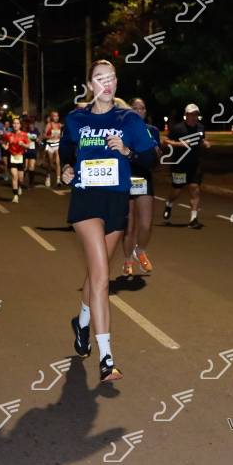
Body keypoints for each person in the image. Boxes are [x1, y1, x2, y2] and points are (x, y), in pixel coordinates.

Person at [60, 59, 158, 382]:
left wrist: (128, 151)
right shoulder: (76, 118)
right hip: (86, 200)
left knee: (95, 272)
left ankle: (82, 323)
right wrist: (66, 168)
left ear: (116, 82)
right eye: (99, 78)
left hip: (115, 202)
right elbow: (66, 150)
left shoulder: (128, 119)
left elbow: (151, 158)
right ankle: (106, 359)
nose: (106, 83)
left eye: (111, 78)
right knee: (101, 276)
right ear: (90, 85)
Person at [122, 97, 161, 275]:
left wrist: (157, 154)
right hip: (126, 178)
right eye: (135, 108)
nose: (139, 111)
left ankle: (140, 251)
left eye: (142, 108)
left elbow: (155, 159)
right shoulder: (122, 129)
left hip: (144, 178)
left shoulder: (152, 131)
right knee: (129, 226)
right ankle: (127, 260)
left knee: (146, 224)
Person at [162, 104, 211, 228]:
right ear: (186, 115)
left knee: (195, 189)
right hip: (179, 164)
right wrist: (179, 144)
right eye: (190, 114)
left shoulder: (200, 128)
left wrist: (205, 143)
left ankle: (193, 219)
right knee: (177, 190)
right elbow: (165, 141)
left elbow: (201, 140)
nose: (193, 117)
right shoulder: (178, 128)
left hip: (195, 164)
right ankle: (169, 204)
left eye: (195, 114)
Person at [3, 117, 30, 203]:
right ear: (12, 125)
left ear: (20, 125)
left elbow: (28, 145)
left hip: (21, 157)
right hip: (12, 156)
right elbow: (3, 142)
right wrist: (5, 146)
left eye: (17, 123)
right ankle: (15, 195)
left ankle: (20, 186)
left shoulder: (24, 134)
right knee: (14, 176)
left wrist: (23, 144)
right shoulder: (8, 134)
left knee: (20, 179)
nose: (15, 125)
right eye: (14, 123)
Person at [44, 111, 63, 187]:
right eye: (54, 116)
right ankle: (48, 177)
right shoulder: (49, 125)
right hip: (50, 145)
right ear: (52, 117)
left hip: (57, 145)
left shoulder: (59, 125)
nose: (56, 117)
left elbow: (62, 134)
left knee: (58, 162)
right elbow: (44, 135)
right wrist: (50, 136)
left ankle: (58, 180)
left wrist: (60, 136)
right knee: (50, 162)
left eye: (57, 116)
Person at [24, 117, 39, 189]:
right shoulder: (25, 131)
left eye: (32, 124)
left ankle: (31, 183)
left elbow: (39, 141)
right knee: (25, 168)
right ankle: (21, 181)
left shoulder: (36, 131)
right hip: (26, 151)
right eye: (30, 124)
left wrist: (38, 140)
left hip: (33, 151)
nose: (31, 125)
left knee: (32, 167)